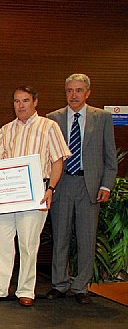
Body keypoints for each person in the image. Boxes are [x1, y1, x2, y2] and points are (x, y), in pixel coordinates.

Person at [0, 86, 71, 307]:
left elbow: (58, 161)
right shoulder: (5, 130)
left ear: (35, 102)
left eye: (25, 101)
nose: (20, 105)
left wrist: (50, 189)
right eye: (16, 101)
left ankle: (26, 290)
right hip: (7, 194)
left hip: (36, 193)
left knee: (29, 244)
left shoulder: (49, 127)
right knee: (0, 241)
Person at [47, 74, 117, 304]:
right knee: (60, 236)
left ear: (88, 93)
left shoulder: (103, 118)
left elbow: (110, 157)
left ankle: (80, 287)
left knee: (87, 238)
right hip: (62, 184)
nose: (73, 95)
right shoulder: (53, 119)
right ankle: (59, 283)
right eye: (69, 90)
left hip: (90, 185)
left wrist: (106, 184)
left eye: (78, 90)